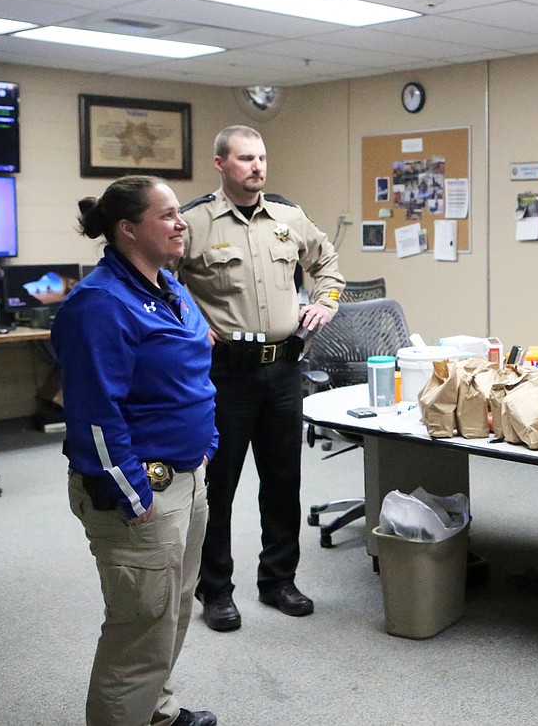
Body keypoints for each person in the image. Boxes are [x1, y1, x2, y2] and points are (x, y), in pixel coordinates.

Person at [53, 176, 219, 726]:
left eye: (180, 213)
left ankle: (157, 713)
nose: (181, 222)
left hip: (187, 476)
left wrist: (204, 444)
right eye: (168, 214)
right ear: (128, 229)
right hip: (140, 488)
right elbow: (96, 416)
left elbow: (191, 375)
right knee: (139, 625)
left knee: (172, 611)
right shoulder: (100, 304)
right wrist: (131, 491)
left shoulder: (167, 285)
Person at [176, 125, 345, 632]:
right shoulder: (194, 222)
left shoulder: (288, 219)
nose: (257, 167)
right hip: (225, 375)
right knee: (219, 487)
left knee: (282, 482)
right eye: (246, 159)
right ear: (220, 164)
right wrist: (189, 322)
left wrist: (326, 302)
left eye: (262, 158)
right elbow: (159, 278)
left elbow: (328, 262)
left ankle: (278, 581)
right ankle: (216, 590)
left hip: (284, 370)